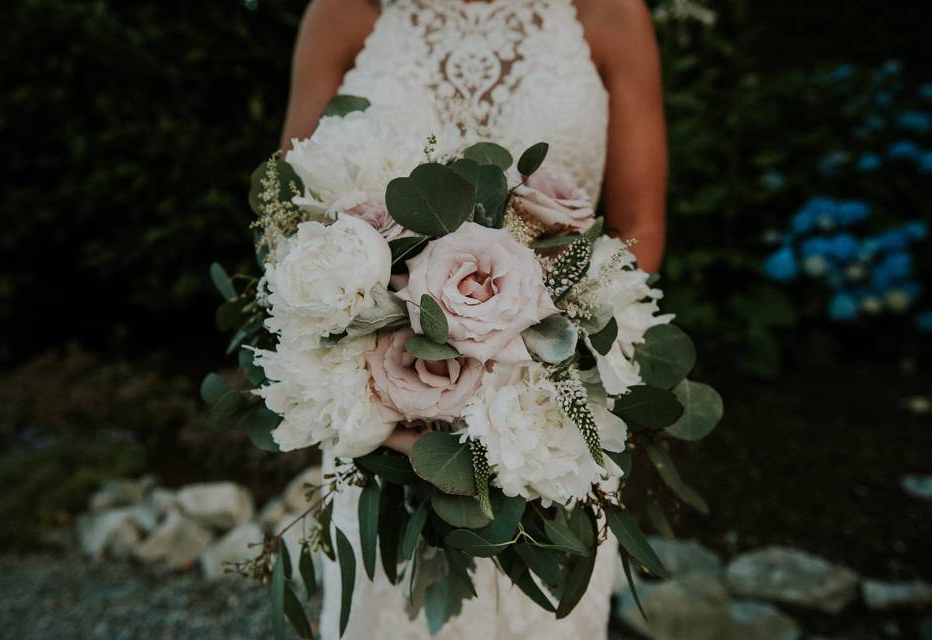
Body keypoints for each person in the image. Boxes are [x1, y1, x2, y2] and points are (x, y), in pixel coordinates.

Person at [279, 1, 667, 637]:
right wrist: (376, 380)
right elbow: (291, 215)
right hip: (381, 416)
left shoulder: (609, 12)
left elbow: (640, 226)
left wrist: (528, 352)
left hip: (547, 417)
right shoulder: (343, 12)